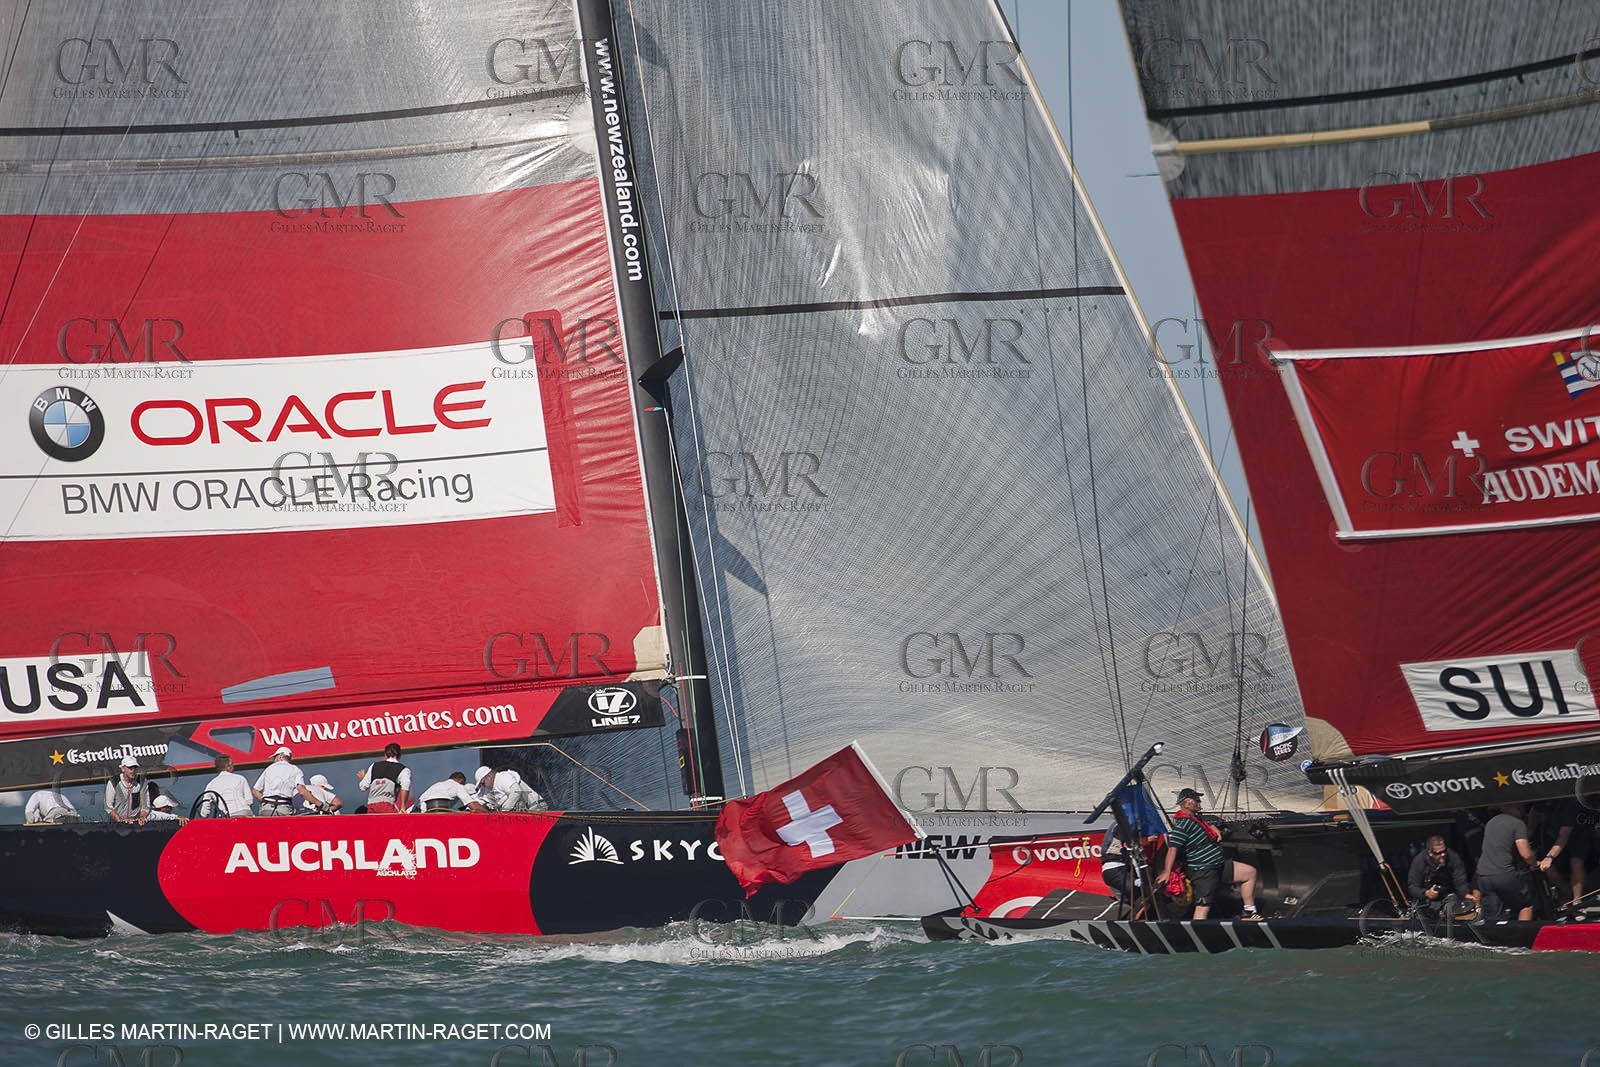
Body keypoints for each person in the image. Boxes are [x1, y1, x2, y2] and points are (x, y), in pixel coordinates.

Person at [1158, 787, 1261, 921]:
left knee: (1249, 873)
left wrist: (1213, 827)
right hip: (1204, 870)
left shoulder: (1195, 819)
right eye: (1196, 800)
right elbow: (1173, 849)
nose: (1199, 802)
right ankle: (1197, 930)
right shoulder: (1183, 825)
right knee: (1203, 906)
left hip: (1218, 865)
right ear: (1187, 803)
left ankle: (1249, 912)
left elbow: (1203, 826)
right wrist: (1167, 871)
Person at [1476, 803, 1544, 921]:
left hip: (1484, 876)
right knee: (1525, 906)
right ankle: (1521, 932)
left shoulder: (1491, 822)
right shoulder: (1517, 823)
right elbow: (1526, 854)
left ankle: (1495, 933)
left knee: (1493, 916)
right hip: (1504, 874)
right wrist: (1535, 863)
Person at [1406, 835, 1479, 915]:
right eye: (1438, 853)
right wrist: (1426, 893)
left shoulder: (1453, 857)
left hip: (1447, 895)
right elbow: (1412, 887)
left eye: (1444, 851)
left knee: (1453, 910)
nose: (1443, 855)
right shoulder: (1419, 862)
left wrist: (1465, 894)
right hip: (1426, 899)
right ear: (1430, 853)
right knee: (1423, 914)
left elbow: (1460, 879)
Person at [252, 746, 319, 816]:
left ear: (280, 756)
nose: (274, 760)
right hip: (284, 808)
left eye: (275, 758)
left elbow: (255, 790)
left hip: (266, 809)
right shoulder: (295, 769)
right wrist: (319, 804)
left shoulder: (269, 768)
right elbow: (302, 791)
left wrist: (265, 800)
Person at [357, 743, 411, 814]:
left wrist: (363, 778)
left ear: (385, 754)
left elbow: (363, 787)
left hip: (371, 806)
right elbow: (406, 787)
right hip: (388, 805)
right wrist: (403, 807)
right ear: (399, 755)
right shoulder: (403, 769)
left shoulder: (374, 766)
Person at [474, 765, 547, 812]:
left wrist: (504, 810)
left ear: (489, 777)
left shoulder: (502, 777)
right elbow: (479, 799)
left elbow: (516, 792)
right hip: (524, 812)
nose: (483, 787)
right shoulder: (488, 789)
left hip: (536, 808)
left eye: (483, 784)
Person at [418, 772, 488, 813]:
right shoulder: (457, 786)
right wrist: (490, 814)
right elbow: (473, 805)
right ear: (461, 781)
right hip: (432, 816)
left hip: (417, 815)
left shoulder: (436, 785)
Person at [104, 755, 144, 823]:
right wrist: (119, 819)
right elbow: (108, 806)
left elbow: (145, 804)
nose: (133, 770)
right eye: (130, 768)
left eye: (135, 767)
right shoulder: (114, 782)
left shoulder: (141, 781)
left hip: (135, 822)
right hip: (116, 823)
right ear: (123, 769)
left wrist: (142, 817)